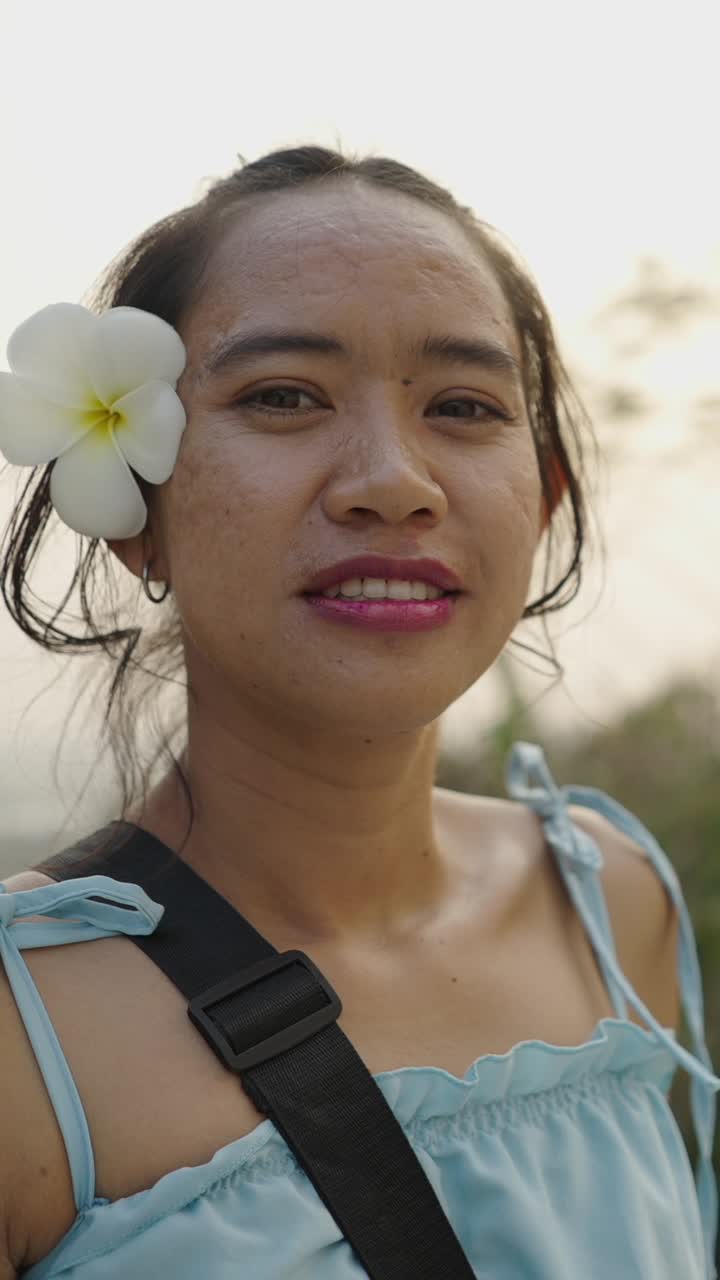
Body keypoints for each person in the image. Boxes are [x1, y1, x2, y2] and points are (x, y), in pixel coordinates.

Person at [0, 144, 717, 1279]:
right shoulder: (19, 1037)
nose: (394, 477)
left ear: (544, 500)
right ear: (137, 507)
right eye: (284, 395)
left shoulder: (612, 901)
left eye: (465, 405)